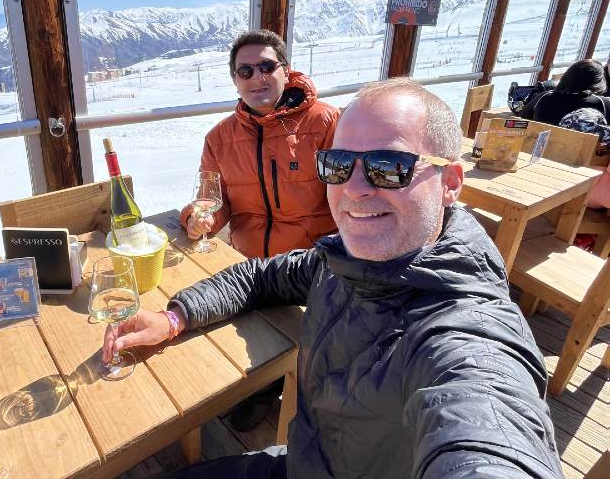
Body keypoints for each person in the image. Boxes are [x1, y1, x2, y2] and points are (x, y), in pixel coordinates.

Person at [105, 78, 564, 478]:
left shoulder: (466, 331)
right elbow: (260, 276)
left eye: (389, 166)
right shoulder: (344, 261)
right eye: (338, 165)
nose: (356, 188)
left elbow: (487, 425)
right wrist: (174, 316)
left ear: (450, 182)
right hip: (304, 462)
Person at [181, 29, 339, 260]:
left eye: (266, 67)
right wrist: (196, 219)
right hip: (246, 263)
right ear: (236, 81)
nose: (257, 77)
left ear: (285, 72)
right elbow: (214, 199)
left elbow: (351, 199)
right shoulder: (218, 139)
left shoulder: (328, 123)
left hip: (310, 264)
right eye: (245, 71)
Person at [531, 59, 609, 126]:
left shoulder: (544, 98)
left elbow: (523, 120)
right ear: (598, 83)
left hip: (544, 142)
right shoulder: (602, 103)